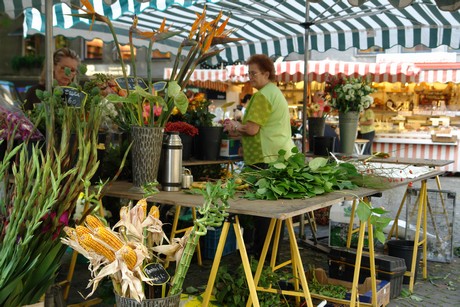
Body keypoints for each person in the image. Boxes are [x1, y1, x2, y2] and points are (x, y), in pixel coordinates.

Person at [223, 54, 294, 257]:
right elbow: (261, 129)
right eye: (249, 73)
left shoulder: (262, 96)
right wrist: (244, 143)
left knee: (261, 212)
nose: (250, 77)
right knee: (271, 213)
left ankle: (259, 257)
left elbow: (253, 129)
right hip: (276, 157)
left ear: (266, 73)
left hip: (267, 159)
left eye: (254, 73)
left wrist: (236, 125)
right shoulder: (273, 92)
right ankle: (268, 257)